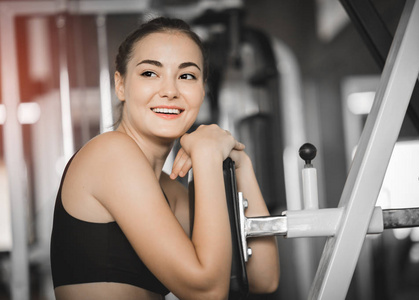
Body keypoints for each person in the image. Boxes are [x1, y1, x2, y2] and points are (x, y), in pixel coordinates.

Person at [50, 16, 279, 300]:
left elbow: (263, 278)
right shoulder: (110, 153)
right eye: (149, 73)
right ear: (120, 85)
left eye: (186, 76)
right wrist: (207, 153)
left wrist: (241, 162)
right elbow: (207, 291)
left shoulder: (171, 190)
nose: (170, 91)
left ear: (202, 90)